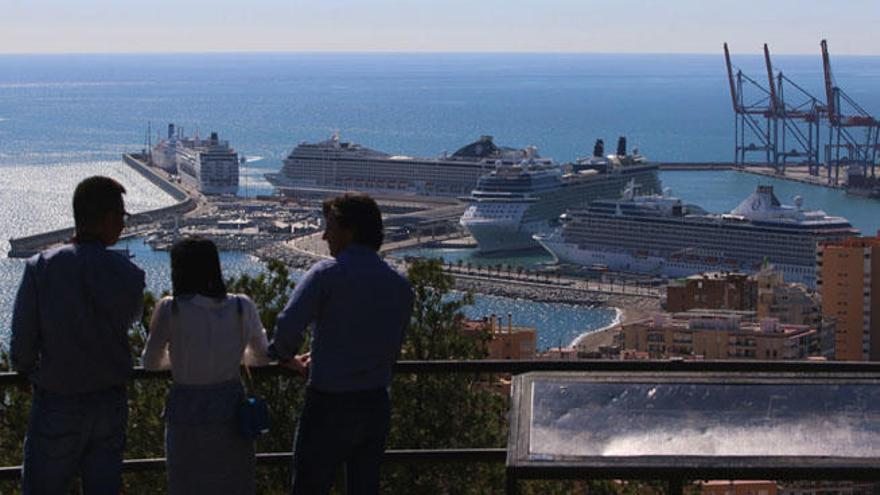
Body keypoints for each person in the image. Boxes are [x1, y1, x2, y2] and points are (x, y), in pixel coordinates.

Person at [270, 193, 414, 495]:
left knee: (310, 486)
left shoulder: (326, 274)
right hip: (375, 403)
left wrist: (286, 358)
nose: (324, 236)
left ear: (349, 231)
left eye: (330, 227)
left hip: (329, 403)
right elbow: (390, 345)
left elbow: (287, 326)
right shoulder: (400, 285)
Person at [11, 175, 146, 495]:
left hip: (57, 399)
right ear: (109, 218)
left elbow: (23, 337)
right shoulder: (130, 274)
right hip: (110, 401)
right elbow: (127, 321)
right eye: (122, 217)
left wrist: (25, 371)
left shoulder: (40, 267)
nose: (124, 225)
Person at [142, 237, 270, 495]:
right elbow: (262, 357)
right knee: (235, 482)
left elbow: (150, 363)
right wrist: (234, 355)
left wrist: (177, 360)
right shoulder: (241, 306)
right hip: (231, 408)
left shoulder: (172, 309)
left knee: (186, 483)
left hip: (186, 409)